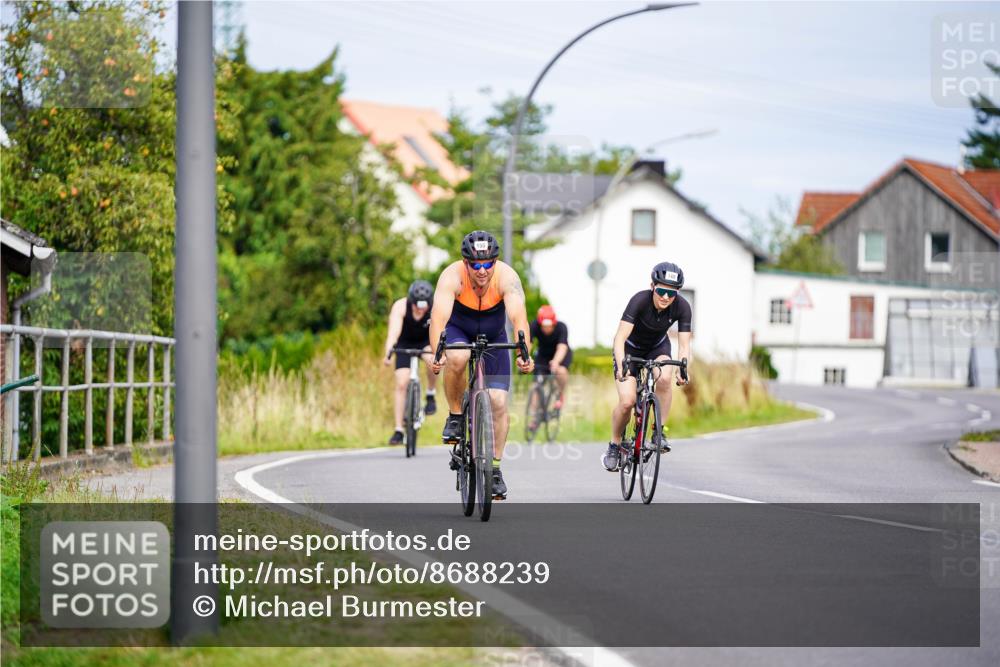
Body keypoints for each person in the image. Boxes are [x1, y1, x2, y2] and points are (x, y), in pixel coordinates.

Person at [428, 230, 534, 500]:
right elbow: (438, 318)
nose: (483, 270)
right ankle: (455, 416)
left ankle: (495, 469)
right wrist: (436, 352)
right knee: (459, 356)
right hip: (458, 330)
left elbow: (519, 318)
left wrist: (525, 352)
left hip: (494, 334)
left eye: (488, 263)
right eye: (476, 264)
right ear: (466, 263)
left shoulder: (507, 277)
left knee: (498, 401)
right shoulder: (451, 277)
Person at [603, 261, 692, 472]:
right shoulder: (639, 300)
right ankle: (614, 444)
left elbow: (685, 345)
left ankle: (659, 431)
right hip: (629, 349)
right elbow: (619, 338)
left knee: (664, 377)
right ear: (652, 286)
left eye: (672, 294)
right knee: (627, 402)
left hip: (657, 347)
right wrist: (621, 365)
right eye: (661, 291)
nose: (666, 298)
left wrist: (683, 368)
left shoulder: (683, 307)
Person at [382, 280, 438, 446]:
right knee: (401, 382)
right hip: (404, 343)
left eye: (424, 306)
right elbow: (393, 333)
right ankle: (399, 429)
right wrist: (388, 353)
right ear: (411, 301)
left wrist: (439, 354)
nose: (420, 309)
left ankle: (430, 393)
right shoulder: (400, 307)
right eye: (417, 305)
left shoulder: (435, 308)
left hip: (425, 342)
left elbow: (438, 333)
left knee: (433, 360)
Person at [528, 305, 571, 427]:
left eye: (549, 326)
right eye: (544, 326)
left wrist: (556, 361)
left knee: (561, 371)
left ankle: (560, 395)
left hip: (560, 354)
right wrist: (526, 358)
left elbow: (562, 346)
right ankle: (535, 418)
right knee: (536, 386)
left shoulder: (562, 327)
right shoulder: (534, 325)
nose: (546, 329)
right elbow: (529, 343)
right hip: (543, 355)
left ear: (554, 322)